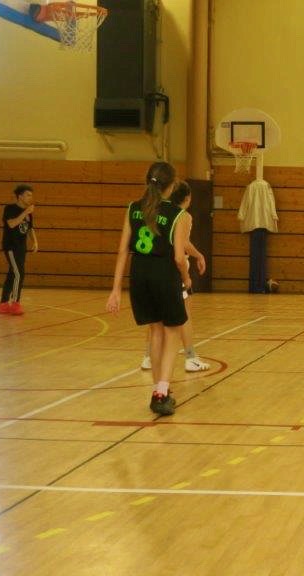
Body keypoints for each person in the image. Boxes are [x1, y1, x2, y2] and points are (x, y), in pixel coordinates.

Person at [106, 162, 192, 416]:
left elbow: (123, 250)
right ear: (172, 185)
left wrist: (115, 289)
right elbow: (179, 257)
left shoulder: (133, 208)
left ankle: (158, 388)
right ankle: (162, 392)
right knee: (172, 331)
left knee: (155, 331)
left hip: (139, 273)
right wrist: (186, 277)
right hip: (164, 273)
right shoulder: (178, 215)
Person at [141, 181, 210, 372]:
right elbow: (184, 243)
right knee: (184, 314)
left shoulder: (157, 212)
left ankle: (148, 356)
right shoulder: (182, 216)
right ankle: (190, 358)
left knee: (156, 318)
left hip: (152, 267)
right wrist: (199, 255)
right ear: (188, 198)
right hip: (173, 269)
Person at [0, 185, 39, 315]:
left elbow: (30, 228)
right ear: (20, 196)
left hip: (21, 247)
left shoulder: (28, 212)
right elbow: (11, 224)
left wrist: (35, 241)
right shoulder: (10, 209)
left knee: (13, 274)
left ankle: (3, 304)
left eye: (31, 195)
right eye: (28, 195)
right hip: (11, 246)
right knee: (19, 274)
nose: (30, 198)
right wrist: (25, 213)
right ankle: (15, 304)